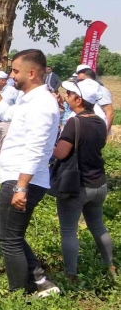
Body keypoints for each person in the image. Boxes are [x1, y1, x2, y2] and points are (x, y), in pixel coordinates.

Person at [0, 49, 61, 297]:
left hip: (23, 178)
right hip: (17, 177)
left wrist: (21, 186)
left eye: (15, 71)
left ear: (32, 72)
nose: (11, 76)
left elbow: (36, 146)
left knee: (10, 239)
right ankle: (38, 277)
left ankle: (19, 293)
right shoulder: (28, 100)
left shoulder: (41, 104)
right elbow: (4, 113)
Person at [53, 79, 116, 281]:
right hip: (99, 184)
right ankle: (110, 266)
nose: (66, 96)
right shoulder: (100, 120)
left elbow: (61, 154)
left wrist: (48, 146)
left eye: (69, 94)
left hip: (76, 186)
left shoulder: (75, 122)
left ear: (78, 99)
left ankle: (71, 274)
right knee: (98, 226)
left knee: (69, 230)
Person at [0, 71, 18, 172]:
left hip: (7, 122)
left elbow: (17, 106)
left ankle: (4, 166)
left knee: (6, 145)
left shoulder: (13, 91)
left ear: (4, 81)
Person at [76, 66, 114, 134]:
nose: (78, 82)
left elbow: (109, 113)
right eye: (78, 80)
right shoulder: (80, 91)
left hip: (97, 130)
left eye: (81, 80)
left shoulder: (101, 90)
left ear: (90, 79)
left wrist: (105, 133)